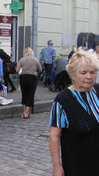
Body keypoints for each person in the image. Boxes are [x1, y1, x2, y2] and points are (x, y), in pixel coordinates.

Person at [49, 48, 99, 176]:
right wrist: (57, 166)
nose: (89, 77)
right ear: (72, 75)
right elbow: (54, 136)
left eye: (92, 72)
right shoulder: (62, 100)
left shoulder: (97, 91)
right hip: (78, 165)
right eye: (83, 72)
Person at [16, 47, 42, 119]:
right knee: (30, 95)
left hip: (23, 78)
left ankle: (24, 112)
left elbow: (17, 70)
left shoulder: (22, 60)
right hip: (32, 78)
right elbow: (40, 69)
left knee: (24, 95)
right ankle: (26, 113)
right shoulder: (35, 59)